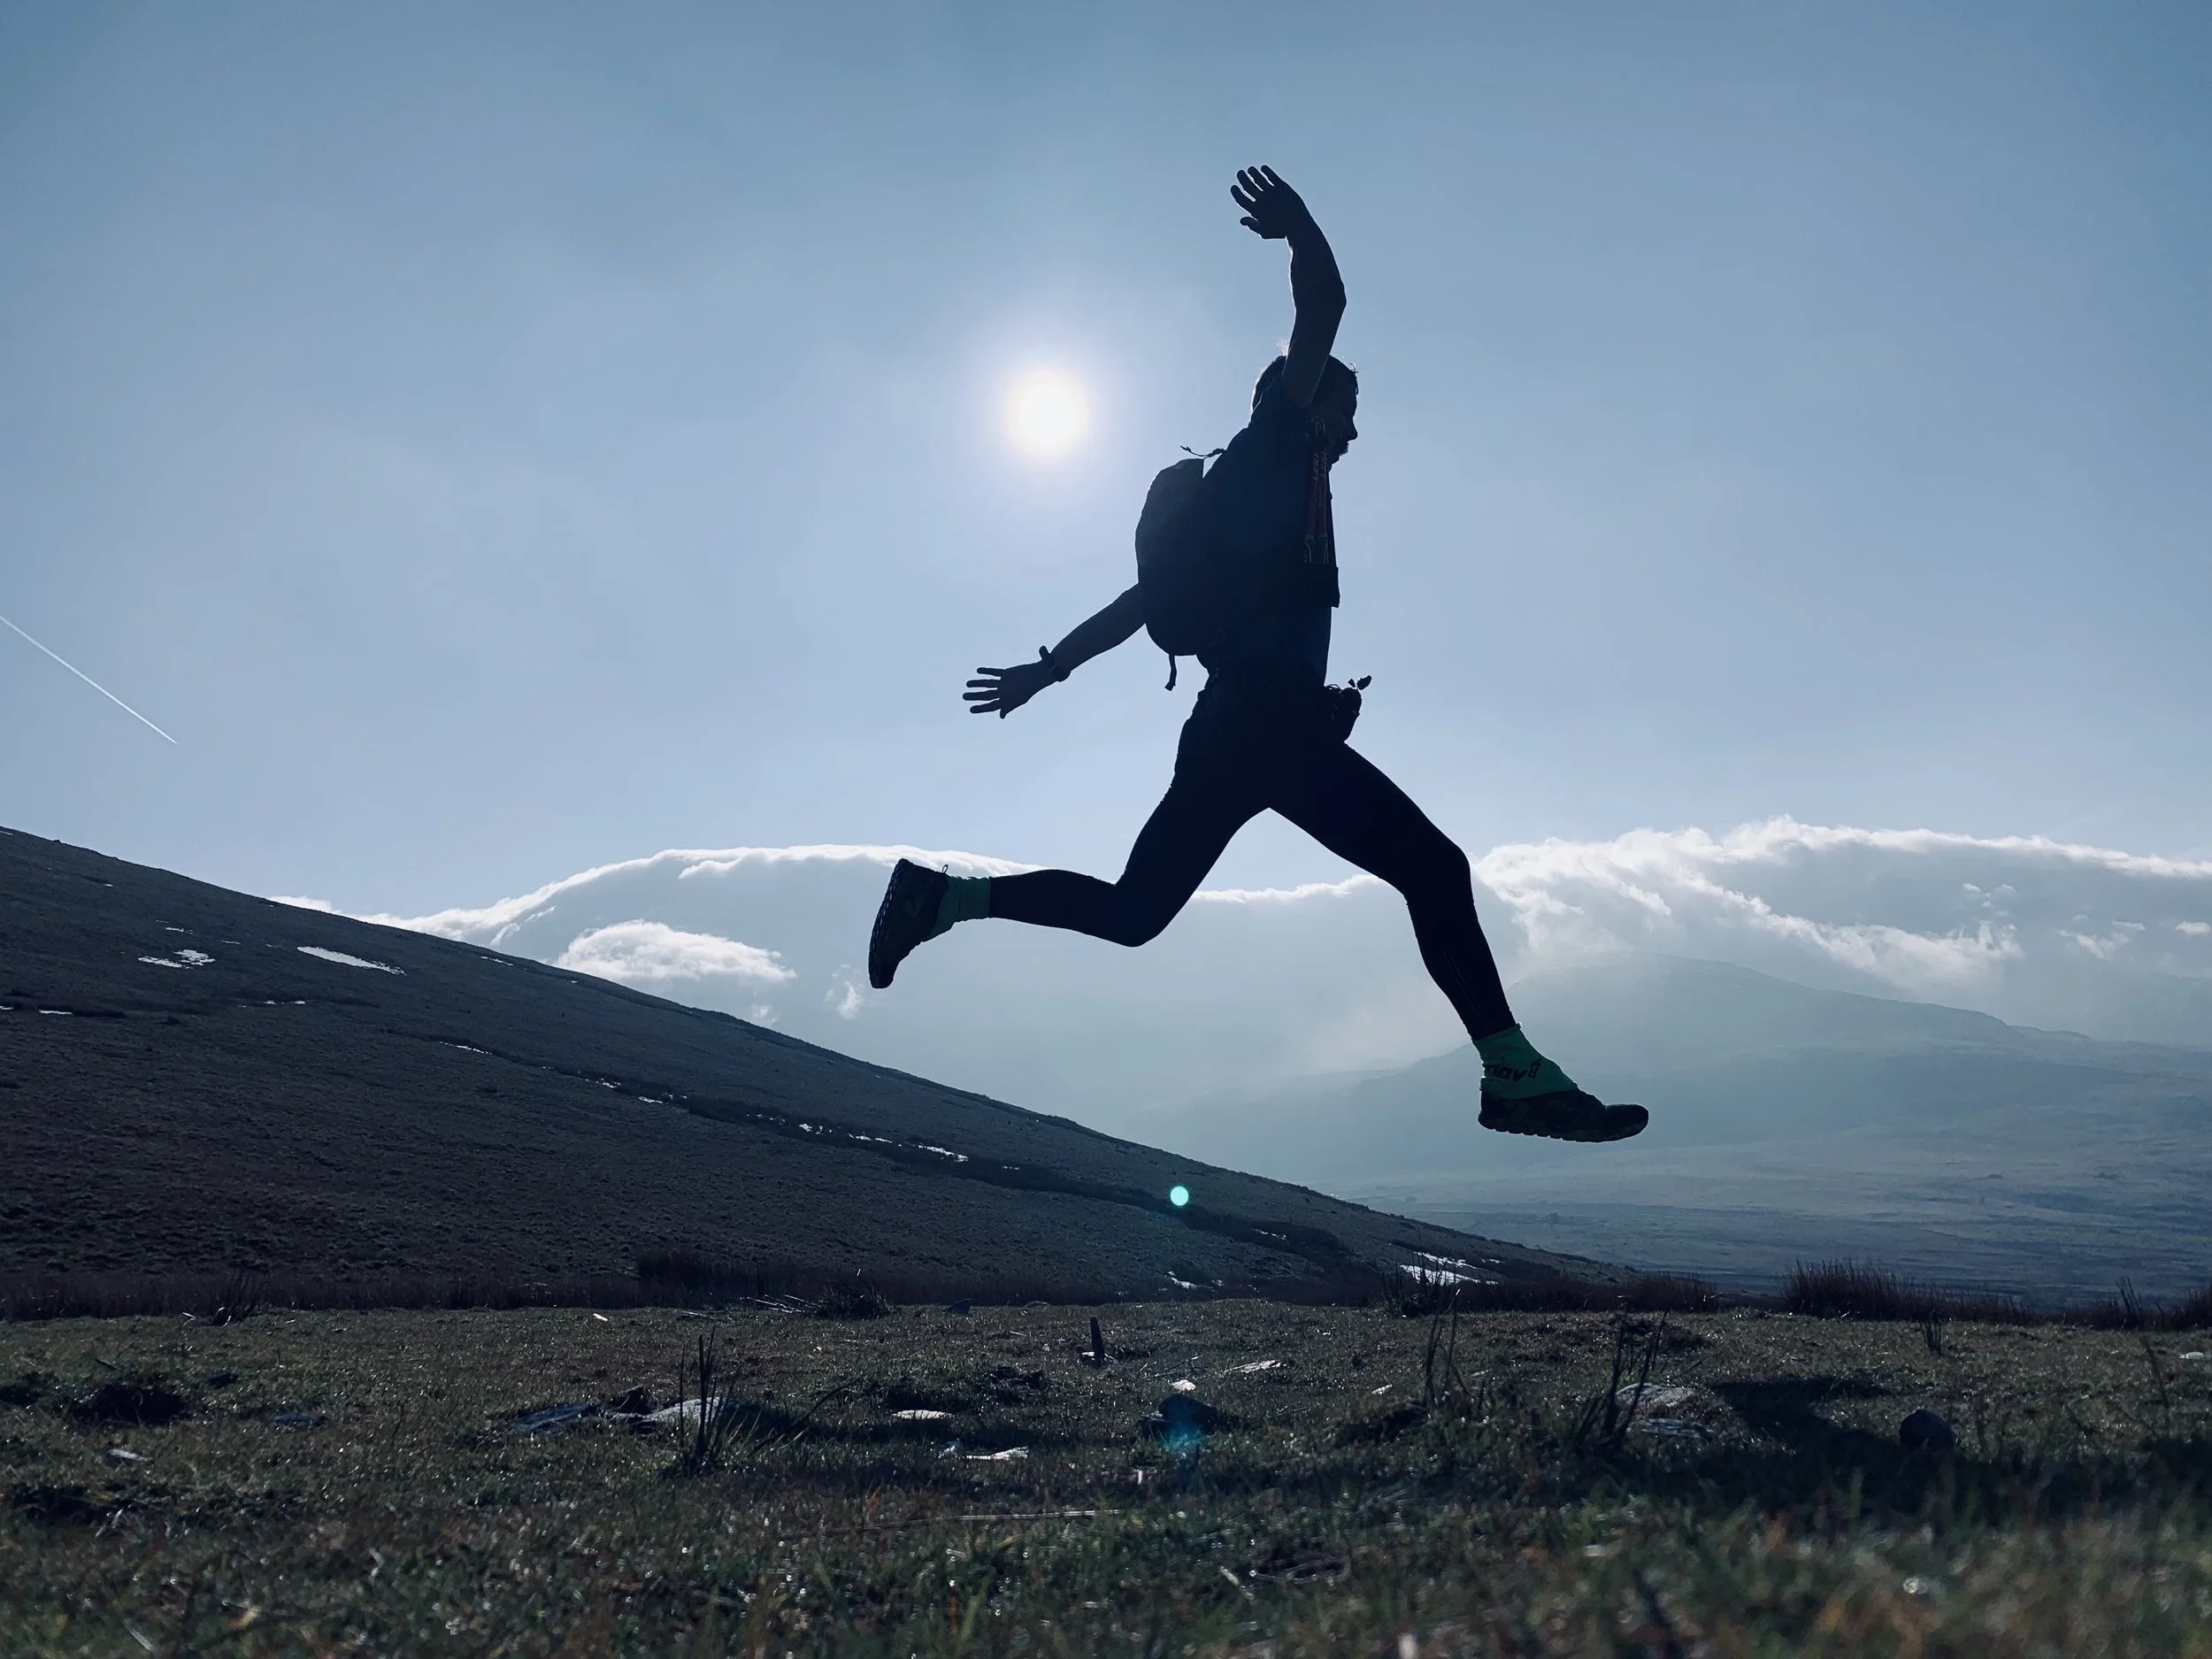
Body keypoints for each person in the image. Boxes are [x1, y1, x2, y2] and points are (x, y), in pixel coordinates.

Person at [868, 165, 1646, 1144]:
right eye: (1346, 408)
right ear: (1307, 399)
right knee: (1436, 870)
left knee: (1133, 911)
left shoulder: (1285, 493)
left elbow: (1151, 602)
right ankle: (1513, 1077)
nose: (1354, 430)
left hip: (1240, 730)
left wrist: (1053, 671)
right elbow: (1324, 301)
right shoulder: (1273, 450)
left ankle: (941, 896)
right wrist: (1301, 228)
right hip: (1258, 730)